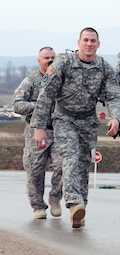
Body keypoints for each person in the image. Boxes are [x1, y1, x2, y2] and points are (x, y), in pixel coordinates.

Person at [30, 27, 120, 228]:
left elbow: (115, 94)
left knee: (83, 164)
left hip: (88, 122)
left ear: (98, 44)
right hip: (64, 118)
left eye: (93, 41)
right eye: (85, 40)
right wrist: (39, 127)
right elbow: (46, 95)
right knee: (69, 156)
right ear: (78, 43)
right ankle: (74, 202)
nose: (89, 44)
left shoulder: (105, 68)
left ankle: (80, 210)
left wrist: (116, 118)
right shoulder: (63, 63)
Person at [13, 46, 62, 219]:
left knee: (62, 166)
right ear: (39, 60)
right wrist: (40, 107)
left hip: (58, 130)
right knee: (35, 170)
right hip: (36, 131)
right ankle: (38, 206)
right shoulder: (31, 80)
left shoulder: (61, 78)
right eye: (46, 57)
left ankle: (55, 198)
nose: (50, 60)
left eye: (52, 57)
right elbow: (17, 104)